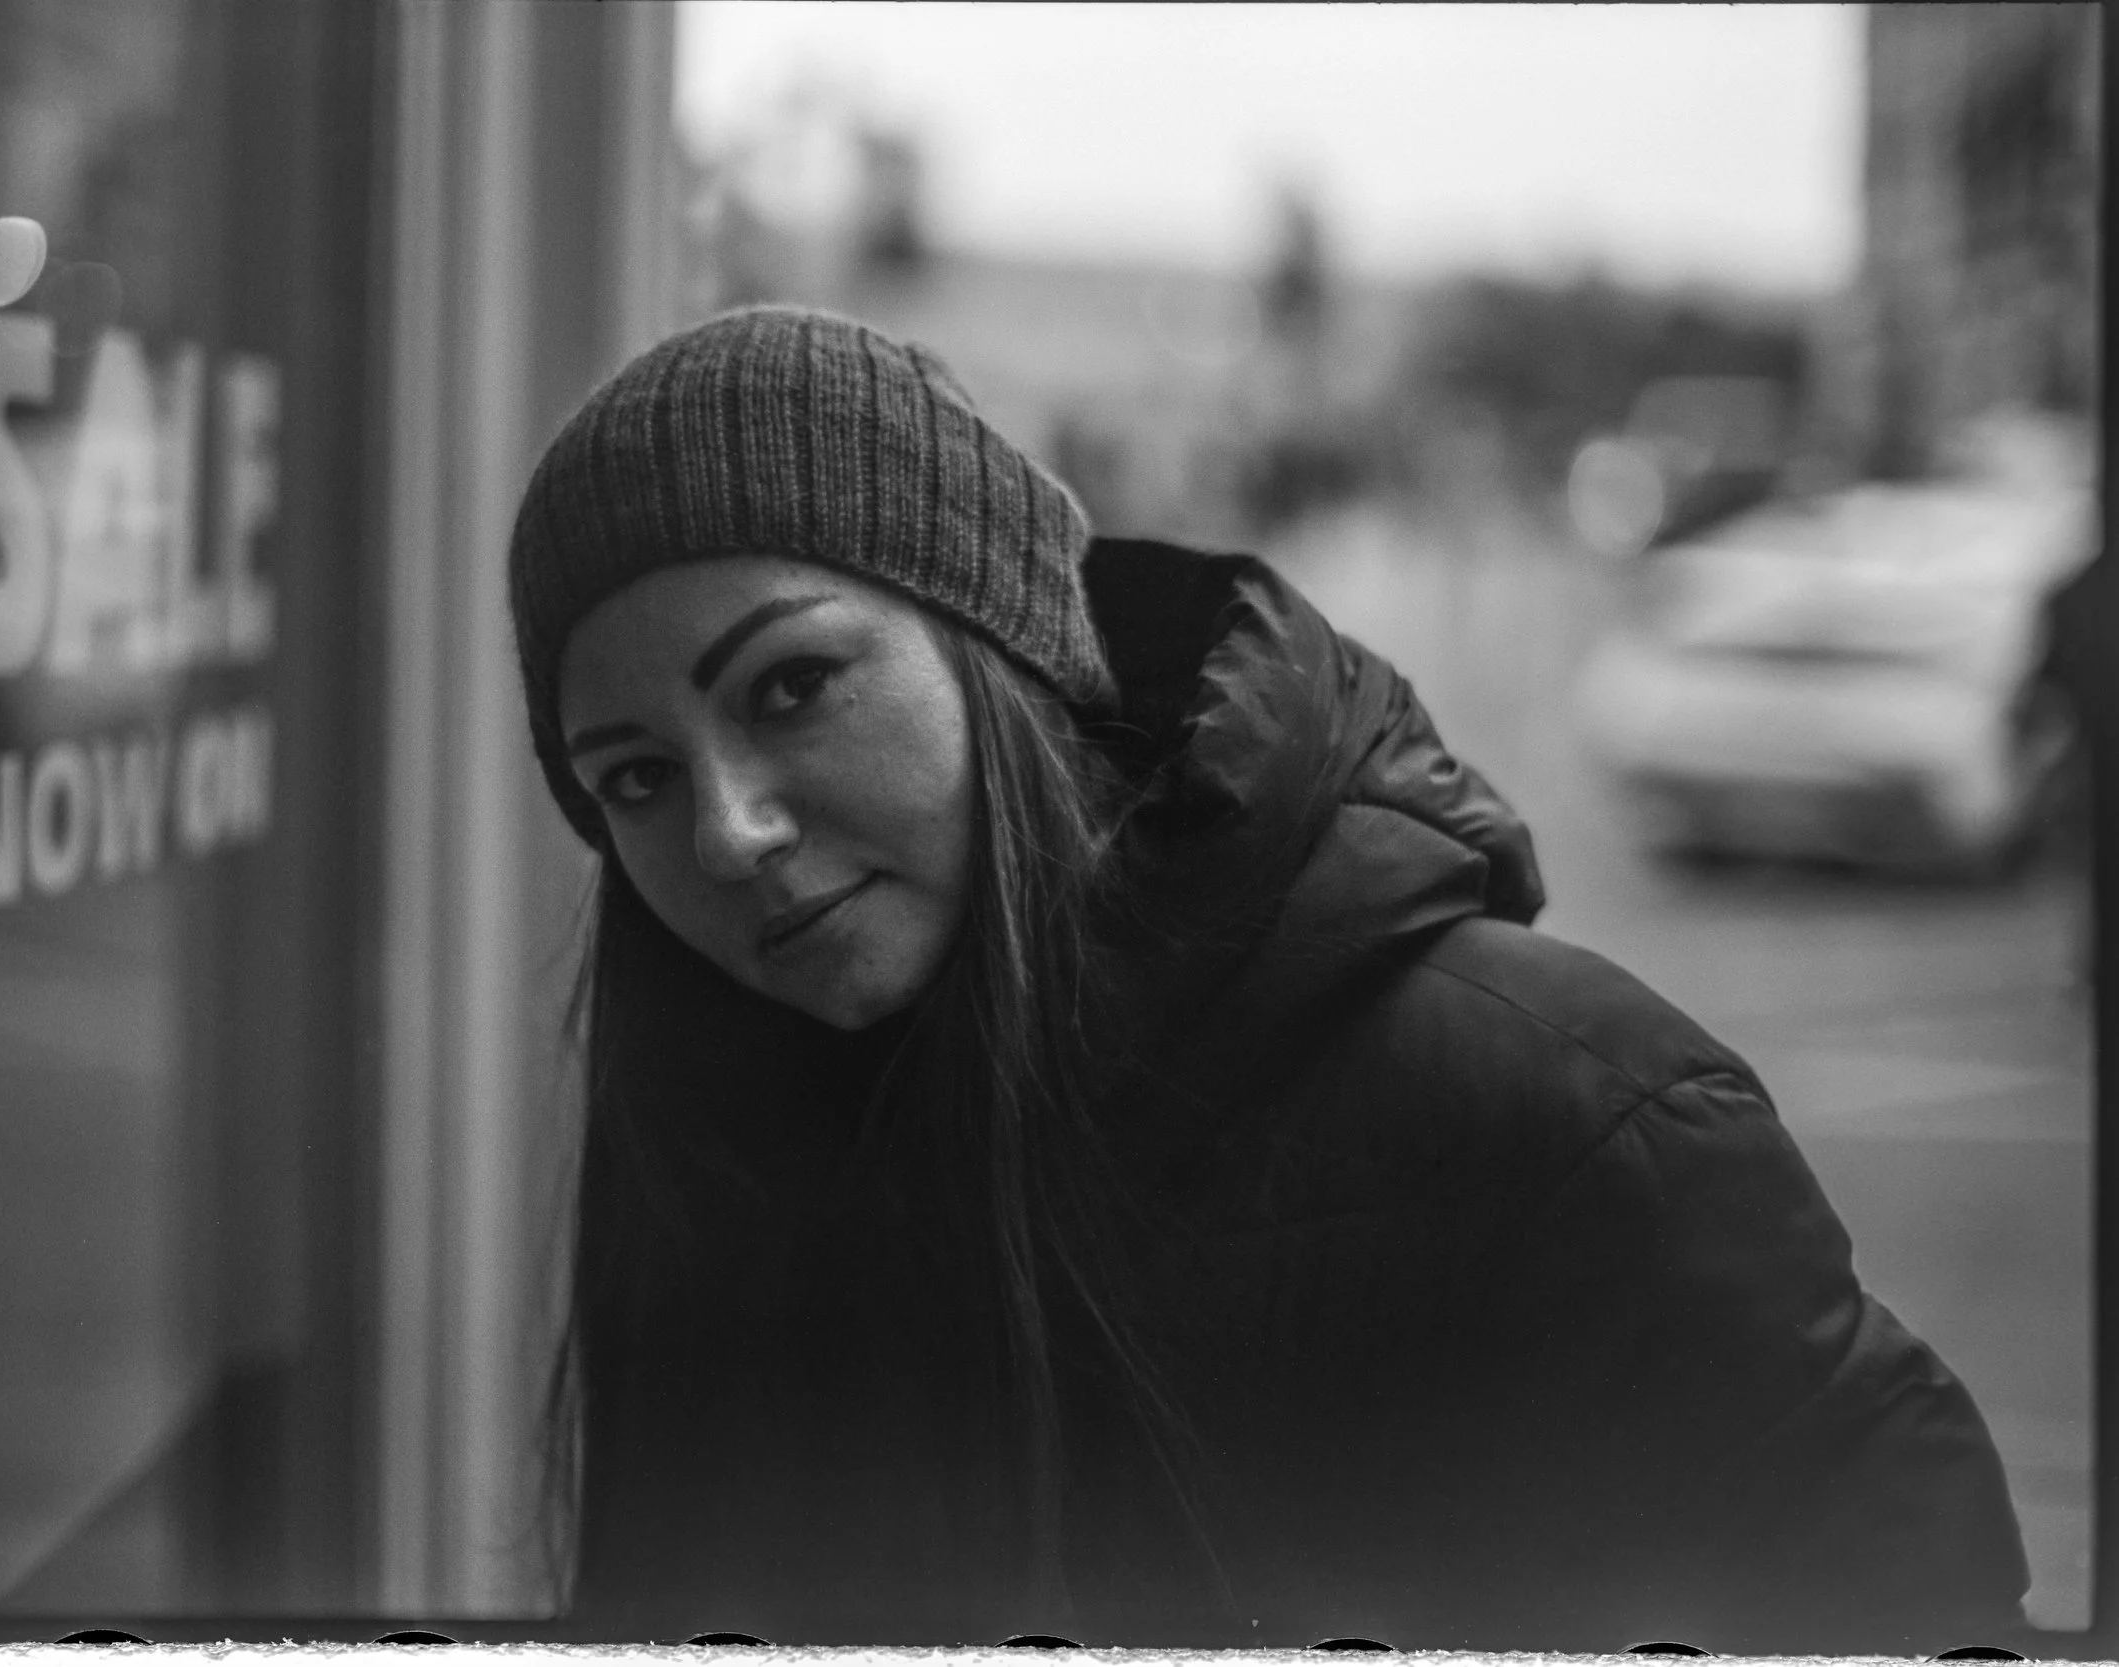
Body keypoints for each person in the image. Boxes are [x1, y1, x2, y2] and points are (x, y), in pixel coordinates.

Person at [504, 305, 2029, 1653]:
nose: (728, 829)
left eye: (791, 686)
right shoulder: (720, 1158)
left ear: (1000, 649)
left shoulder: (1573, 1115)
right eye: (633, 779)